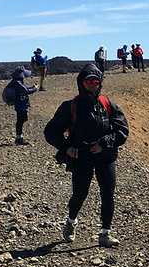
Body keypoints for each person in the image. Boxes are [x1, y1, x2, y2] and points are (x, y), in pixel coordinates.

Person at [44, 64, 129, 248]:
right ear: (81, 83)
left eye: (95, 81)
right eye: (87, 81)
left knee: (108, 192)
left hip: (104, 156)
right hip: (81, 158)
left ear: (100, 84)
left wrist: (104, 143)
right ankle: (71, 221)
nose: (91, 85)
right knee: (79, 194)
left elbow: (123, 130)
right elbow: (50, 132)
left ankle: (105, 234)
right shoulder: (70, 107)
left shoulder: (107, 105)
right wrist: (66, 147)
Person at [7, 67, 38, 145]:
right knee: (21, 120)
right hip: (21, 104)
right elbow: (25, 91)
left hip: (19, 104)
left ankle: (19, 137)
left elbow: (24, 89)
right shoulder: (17, 83)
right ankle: (19, 138)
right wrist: (34, 88)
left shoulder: (15, 82)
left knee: (21, 120)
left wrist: (32, 87)